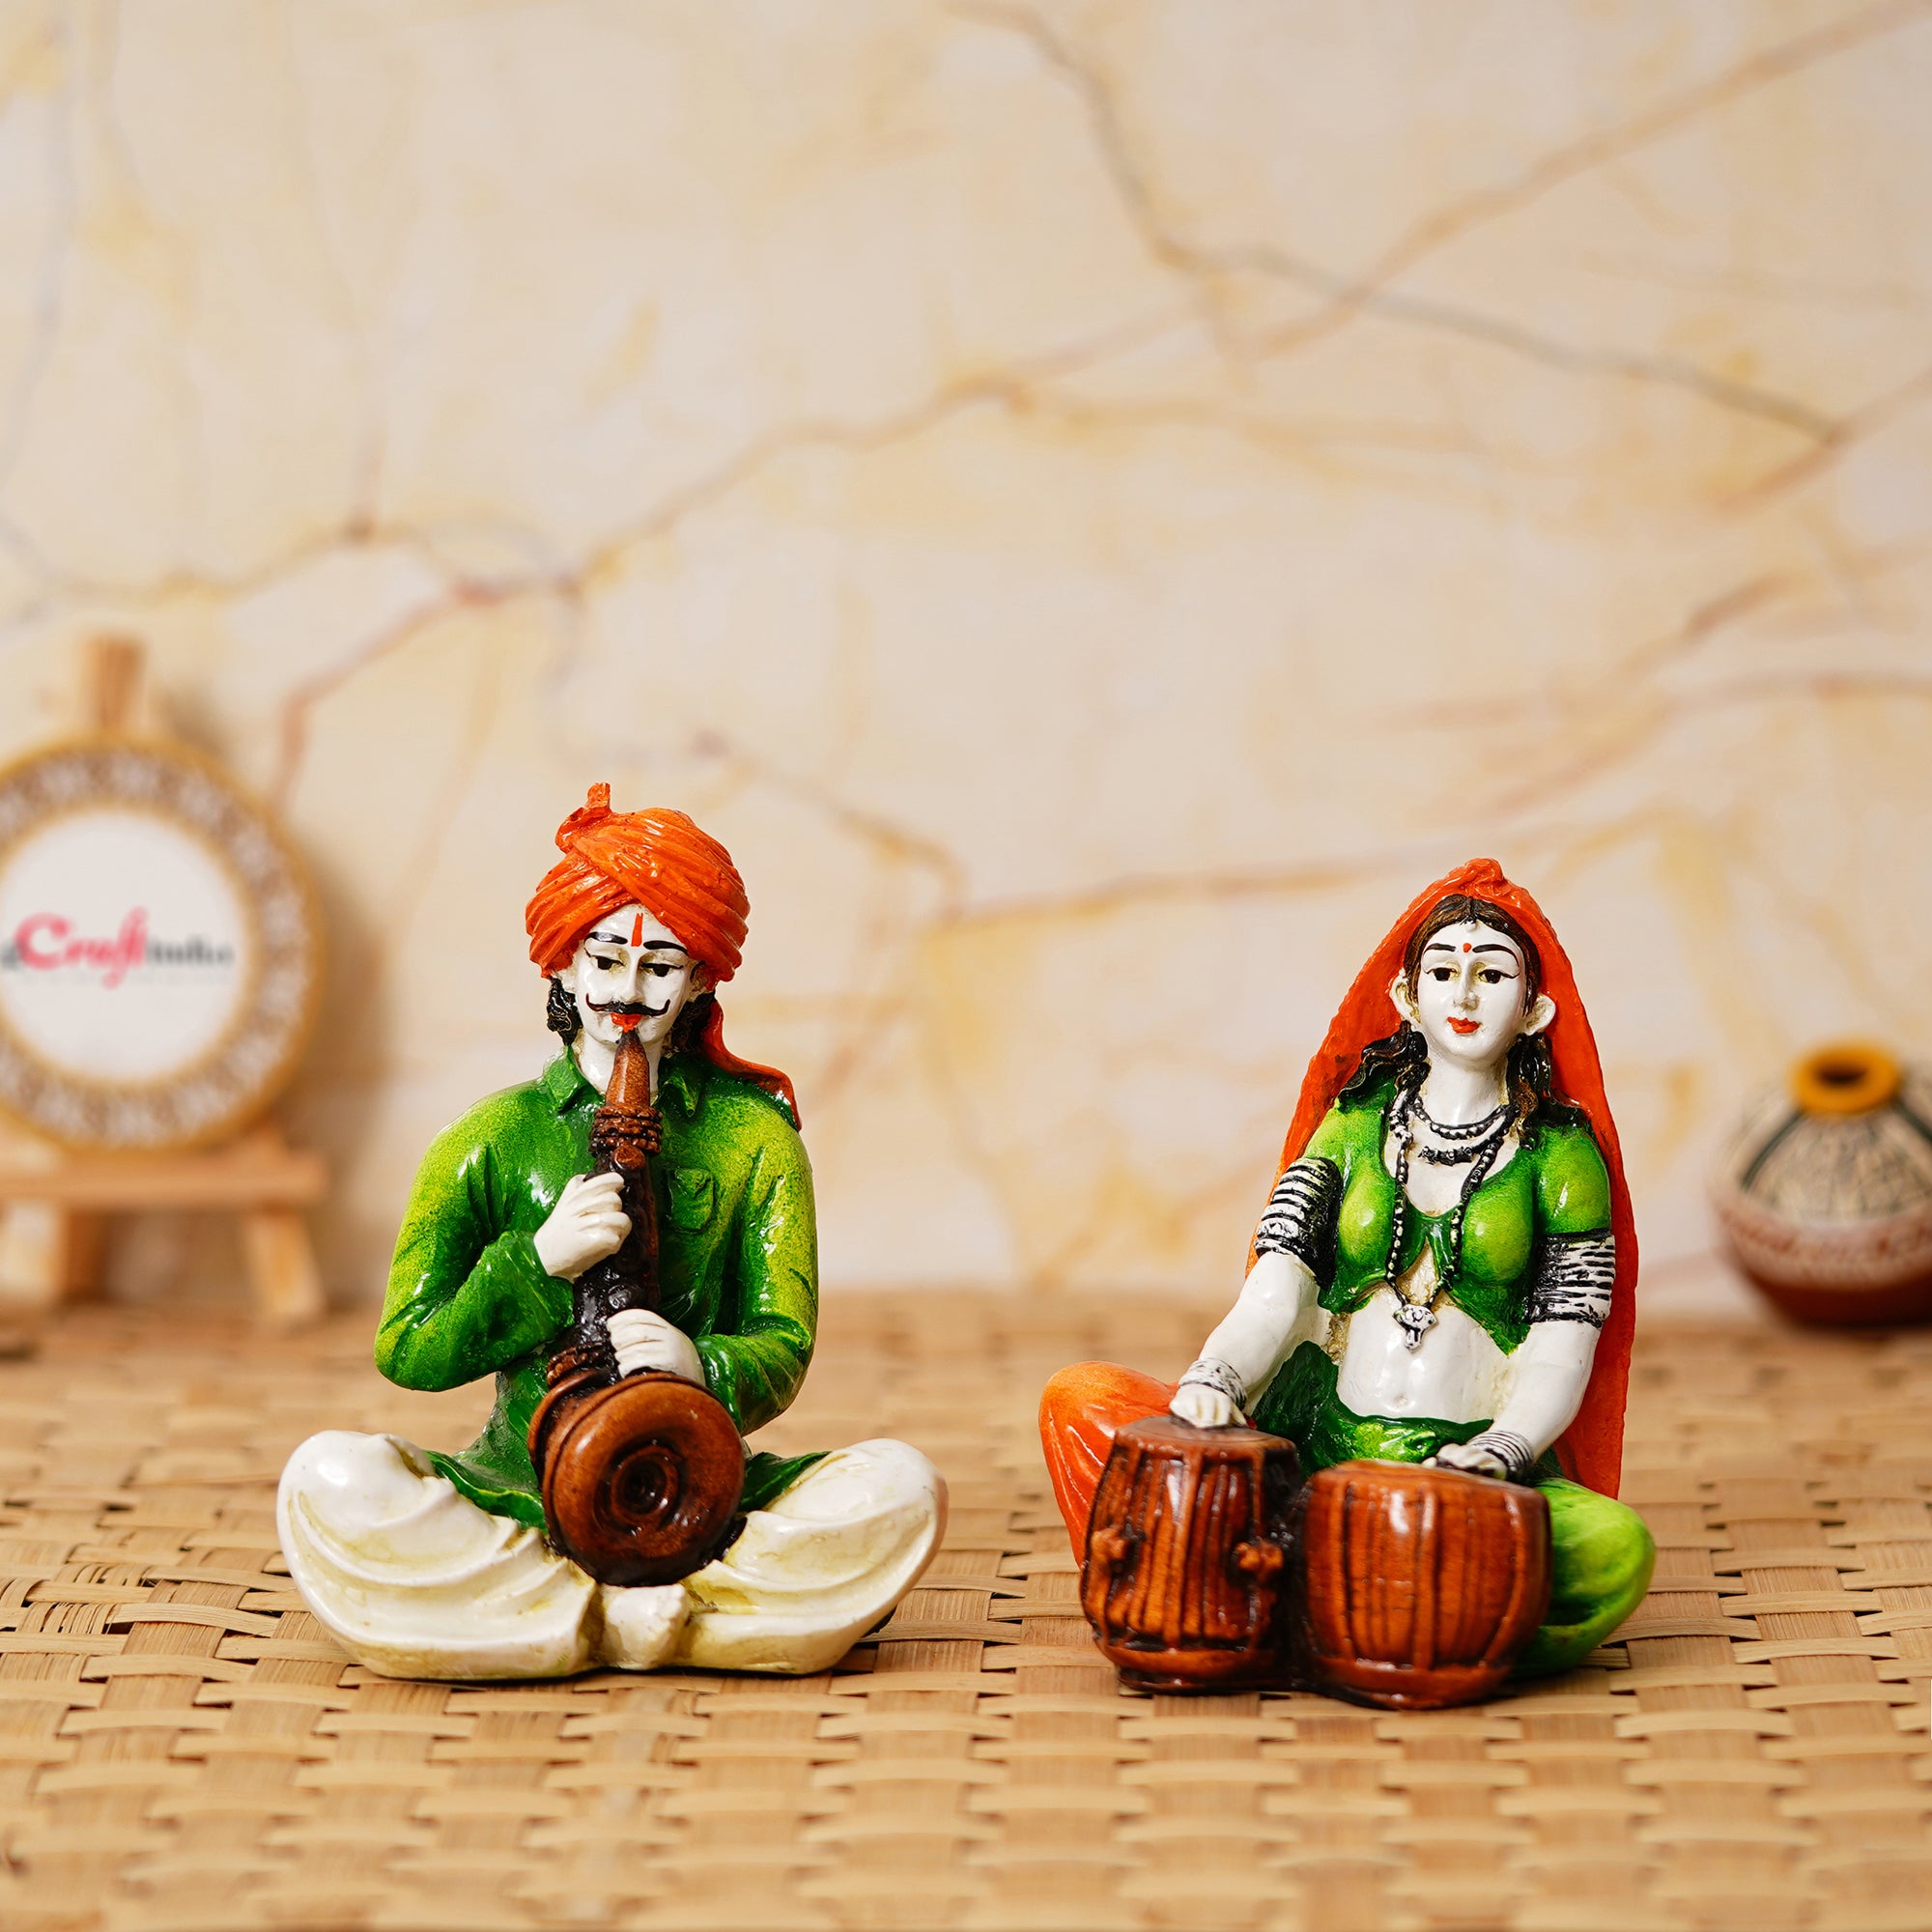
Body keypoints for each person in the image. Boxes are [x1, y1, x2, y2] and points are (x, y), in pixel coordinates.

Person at [279, 786, 945, 1679]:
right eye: (604, 961)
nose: (627, 992)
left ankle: (552, 1619)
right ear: (560, 967)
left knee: (902, 1486)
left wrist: (696, 1365)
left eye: (660, 968)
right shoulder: (489, 1140)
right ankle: (676, 1617)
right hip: (518, 1492)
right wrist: (537, 1265)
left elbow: (782, 1342)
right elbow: (408, 1348)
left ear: (702, 979)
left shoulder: (756, 1139)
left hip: (703, 1492)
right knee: (330, 1477)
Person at [1040, 859, 1653, 1677]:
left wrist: (1506, 1449)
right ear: (1407, 997)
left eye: (1491, 974)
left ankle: (1283, 1593)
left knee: (1614, 1552)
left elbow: (1562, 1340)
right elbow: (1280, 1283)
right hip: (1307, 1446)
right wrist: (1216, 1380)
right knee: (1081, 1404)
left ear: (1535, 1009)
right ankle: (1380, 1601)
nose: (1464, 996)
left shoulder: (1559, 1151)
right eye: (1443, 972)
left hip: (1464, 1467)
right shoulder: (1357, 1121)